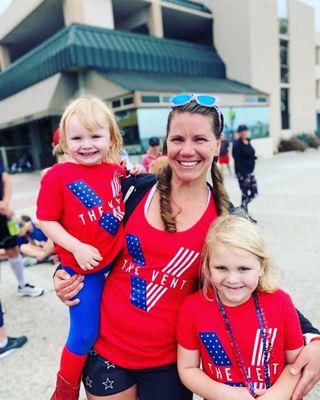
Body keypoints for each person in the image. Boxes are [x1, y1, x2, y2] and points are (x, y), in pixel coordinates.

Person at [53, 93, 320, 400]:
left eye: (200, 139)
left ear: (217, 145)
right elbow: (85, 235)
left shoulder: (225, 218)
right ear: (166, 144)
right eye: (178, 139)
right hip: (106, 351)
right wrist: (62, 273)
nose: (187, 150)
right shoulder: (133, 191)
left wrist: (312, 336)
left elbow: (258, 282)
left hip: (171, 363)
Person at [37, 96, 135, 399]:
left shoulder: (116, 172)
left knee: (119, 328)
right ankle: (64, 390)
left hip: (118, 265)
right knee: (84, 333)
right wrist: (75, 246)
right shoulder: (58, 176)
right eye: (77, 137)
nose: (87, 144)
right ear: (65, 140)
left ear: (111, 138)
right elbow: (45, 220)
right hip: (83, 271)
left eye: (95, 136)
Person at [177, 214, 305, 399]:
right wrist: (229, 395)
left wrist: (275, 396)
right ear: (207, 267)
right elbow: (188, 368)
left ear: (261, 267)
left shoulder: (280, 302)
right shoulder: (193, 307)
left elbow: (295, 365)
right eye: (221, 268)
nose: (232, 279)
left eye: (243, 269)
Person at [0, 162, 44, 297]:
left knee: (13, 249)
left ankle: (22, 285)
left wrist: (5, 203)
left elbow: (5, 178)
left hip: (3, 214)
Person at [232, 125, 258, 221]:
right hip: (242, 173)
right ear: (239, 133)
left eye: (245, 131)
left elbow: (250, 154)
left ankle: (242, 208)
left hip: (250, 172)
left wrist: (254, 158)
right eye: (242, 131)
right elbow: (237, 160)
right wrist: (243, 175)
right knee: (245, 194)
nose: (244, 133)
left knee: (255, 193)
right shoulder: (237, 144)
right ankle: (245, 215)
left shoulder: (248, 141)